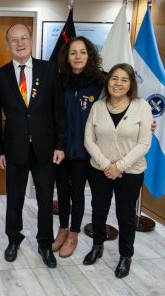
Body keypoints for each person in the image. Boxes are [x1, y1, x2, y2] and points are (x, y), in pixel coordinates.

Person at [0, 24, 66, 268]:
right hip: (14, 149)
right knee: (14, 198)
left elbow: (59, 111)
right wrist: (0, 150)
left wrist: (60, 145)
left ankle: (45, 244)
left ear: (31, 40)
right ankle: (14, 239)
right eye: (14, 40)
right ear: (8, 44)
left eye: (23, 38)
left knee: (45, 199)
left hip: (45, 148)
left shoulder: (49, 69)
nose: (19, 43)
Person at [83, 63, 153, 279]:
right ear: (108, 81)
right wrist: (106, 165)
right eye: (114, 78)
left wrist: (119, 167)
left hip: (130, 172)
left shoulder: (141, 107)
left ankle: (125, 255)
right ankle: (98, 246)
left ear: (131, 84)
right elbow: (88, 139)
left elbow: (144, 143)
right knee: (99, 210)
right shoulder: (98, 106)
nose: (118, 83)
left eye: (124, 79)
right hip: (100, 169)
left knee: (125, 215)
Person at [52, 37, 105, 257]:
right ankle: (63, 230)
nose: (78, 57)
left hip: (86, 150)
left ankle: (74, 234)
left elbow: (122, 102)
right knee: (62, 192)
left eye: (82, 52)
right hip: (61, 148)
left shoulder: (100, 81)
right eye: (73, 52)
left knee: (77, 193)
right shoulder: (59, 80)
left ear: (89, 55)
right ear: (67, 56)